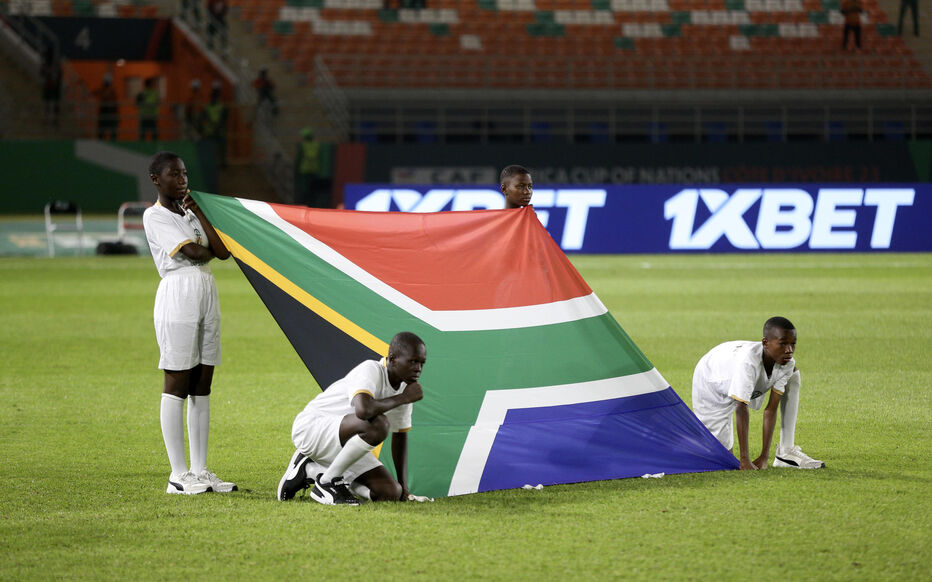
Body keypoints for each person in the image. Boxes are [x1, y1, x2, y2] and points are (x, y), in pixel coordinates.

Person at [142, 151, 237, 495]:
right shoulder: (154, 216)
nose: (182, 179)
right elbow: (195, 254)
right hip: (178, 291)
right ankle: (177, 475)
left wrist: (198, 212)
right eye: (174, 175)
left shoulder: (190, 214)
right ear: (156, 179)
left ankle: (200, 470)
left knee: (203, 381)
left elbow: (223, 252)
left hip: (206, 289)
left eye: (184, 173)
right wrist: (208, 246)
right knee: (178, 379)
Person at [277, 332, 428, 504]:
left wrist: (404, 489)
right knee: (378, 425)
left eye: (422, 363)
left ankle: (313, 471)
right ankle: (327, 483)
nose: (418, 368)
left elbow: (400, 436)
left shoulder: (405, 388)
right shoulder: (371, 369)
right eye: (413, 361)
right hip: (311, 429)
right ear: (393, 359)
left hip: (342, 444)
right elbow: (364, 411)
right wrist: (404, 398)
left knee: (390, 492)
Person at [691, 317, 824, 470]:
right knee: (721, 460)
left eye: (793, 344)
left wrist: (764, 457)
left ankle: (785, 452)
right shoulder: (747, 363)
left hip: (734, 367)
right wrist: (745, 459)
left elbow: (770, 410)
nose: (789, 350)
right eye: (783, 344)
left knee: (794, 374)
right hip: (711, 379)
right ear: (765, 343)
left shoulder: (787, 362)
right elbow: (741, 409)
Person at [294, 127, 334, 208]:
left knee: (303, 190)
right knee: (312, 191)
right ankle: (311, 205)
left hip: (304, 171)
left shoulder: (303, 145)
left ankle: (303, 204)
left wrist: (296, 170)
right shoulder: (316, 145)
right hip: (314, 170)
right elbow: (320, 158)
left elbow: (299, 158)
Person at [93, 73, 119, 140]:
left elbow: (115, 103)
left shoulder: (111, 91)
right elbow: (95, 93)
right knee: (102, 132)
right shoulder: (103, 90)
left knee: (112, 132)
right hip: (105, 113)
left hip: (110, 113)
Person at [136, 77, 160, 141]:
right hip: (149, 116)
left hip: (147, 116)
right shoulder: (153, 93)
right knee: (146, 134)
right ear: (150, 84)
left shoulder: (142, 93)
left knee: (151, 134)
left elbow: (137, 104)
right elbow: (157, 104)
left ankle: (143, 145)